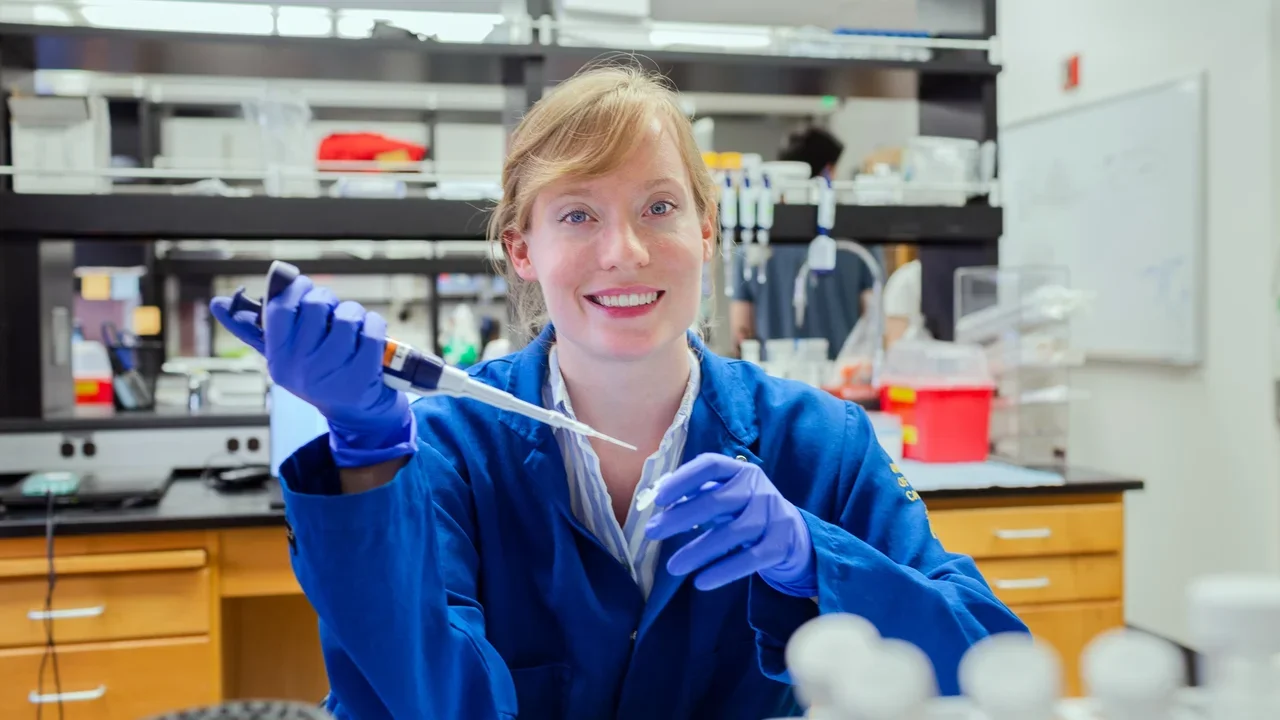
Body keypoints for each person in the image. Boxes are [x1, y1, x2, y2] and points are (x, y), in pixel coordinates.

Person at [211, 65, 1026, 720]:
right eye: (576, 215)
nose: (624, 251)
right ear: (521, 249)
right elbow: (426, 703)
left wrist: (817, 560)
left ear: (705, 230)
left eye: (659, 207)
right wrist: (364, 461)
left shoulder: (818, 443)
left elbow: (990, 663)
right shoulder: (450, 444)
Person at [730, 125, 877, 360]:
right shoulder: (859, 237)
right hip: (842, 374)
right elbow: (873, 323)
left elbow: (741, 331)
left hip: (772, 375)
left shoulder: (754, 238)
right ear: (828, 172)